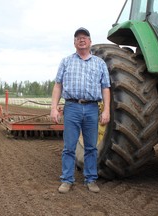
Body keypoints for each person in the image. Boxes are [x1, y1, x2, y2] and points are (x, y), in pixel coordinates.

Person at [51, 27, 111, 193]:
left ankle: (91, 179)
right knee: (69, 147)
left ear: (90, 42)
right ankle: (67, 180)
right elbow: (58, 85)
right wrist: (54, 108)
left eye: (85, 37)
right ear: (74, 43)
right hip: (72, 107)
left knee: (91, 147)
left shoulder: (100, 63)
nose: (81, 40)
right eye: (78, 38)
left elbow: (106, 88)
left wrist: (106, 110)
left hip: (92, 108)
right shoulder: (66, 61)